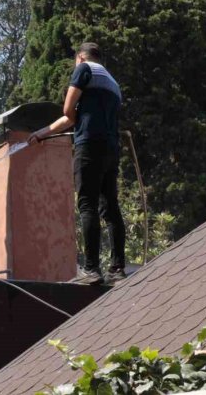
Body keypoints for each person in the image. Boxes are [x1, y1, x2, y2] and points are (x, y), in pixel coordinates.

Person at [27, 42, 126, 285]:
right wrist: (43, 133)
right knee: (110, 208)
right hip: (111, 149)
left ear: (80, 58)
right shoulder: (113, 83)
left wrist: (40, 133)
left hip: (89, 147)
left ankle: (91, 270)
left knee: (87, 205)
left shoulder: (84, 70)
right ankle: (117, 270)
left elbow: (68, 113)